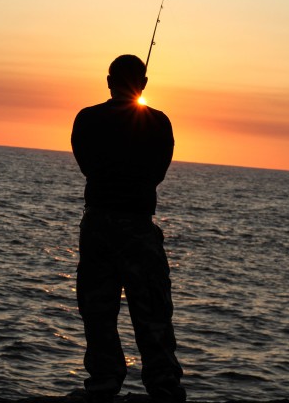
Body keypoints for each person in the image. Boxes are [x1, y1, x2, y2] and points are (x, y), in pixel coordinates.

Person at [71, 54, 185, 403]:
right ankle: (163, 386)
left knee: (97, 308)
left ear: (108, 81)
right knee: (151, 308)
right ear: (144, 84)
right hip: (138, 225)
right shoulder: (159, 123)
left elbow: (86, 164)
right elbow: (158, 173)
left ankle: (104, 383)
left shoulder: (87, 119)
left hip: (98, 224)